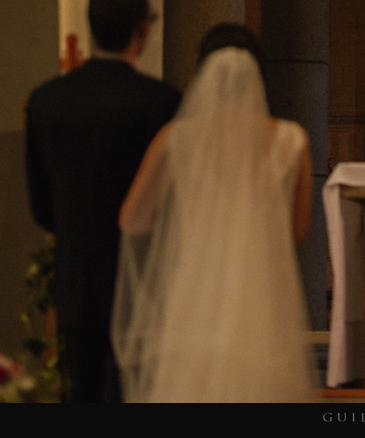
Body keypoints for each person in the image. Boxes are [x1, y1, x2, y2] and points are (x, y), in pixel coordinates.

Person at [111, 24, 316, 403]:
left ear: (202, 73)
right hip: (263, 305)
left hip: (192, 300)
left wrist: (177, 227)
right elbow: (296, 233)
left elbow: (132, 218)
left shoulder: (176, 137)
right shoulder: (293, 139)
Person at [25, 0, 181, 402]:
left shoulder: (46, 100)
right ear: (142, 30)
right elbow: (172, 203)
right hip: (142, 282)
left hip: (76, 279)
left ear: (91, 26)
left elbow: (41, 206)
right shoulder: (161, 101)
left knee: (82, 397)